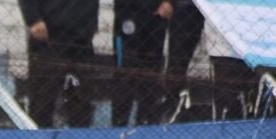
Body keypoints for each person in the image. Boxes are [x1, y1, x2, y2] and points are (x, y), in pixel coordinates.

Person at [17, 0, 100, 128]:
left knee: (82, 100)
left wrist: (90, 26)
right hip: (50, 34)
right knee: (43, 99)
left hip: (82, 37)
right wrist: (33, 19)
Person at [111, 0, 174, 127]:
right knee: (125, 72)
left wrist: (170, 2)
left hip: (156, 15)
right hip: (128, 14)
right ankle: (118, 125)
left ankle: (146, 125)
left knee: (150, 73)